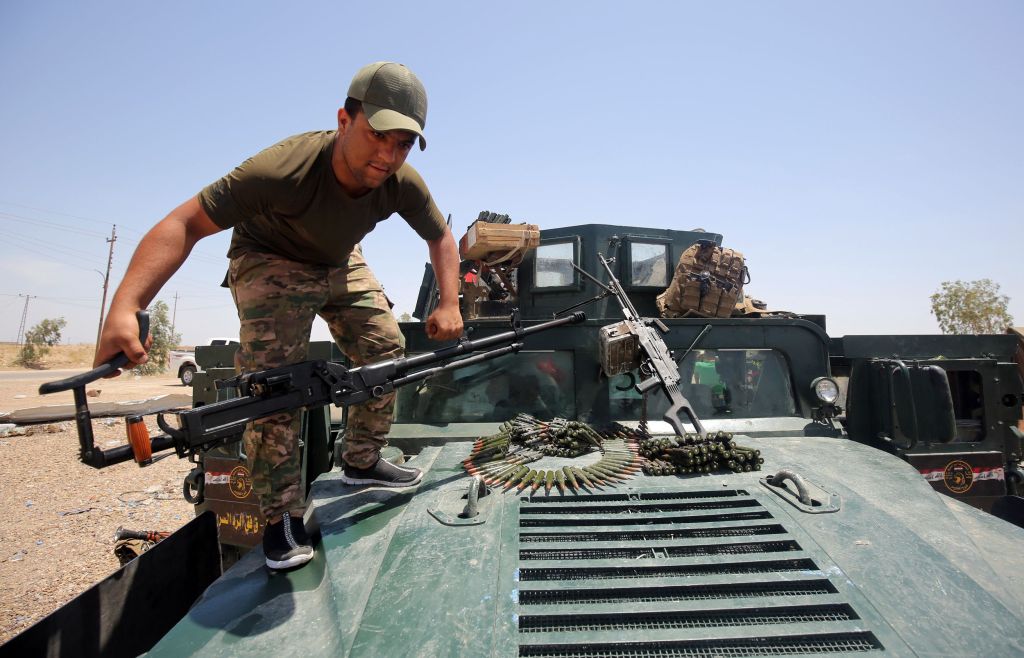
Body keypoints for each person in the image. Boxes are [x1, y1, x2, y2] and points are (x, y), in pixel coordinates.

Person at [94, 61, 463, 570]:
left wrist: (449, 302)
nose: (388, 154)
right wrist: (126, 305)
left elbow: (440, 235)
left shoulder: (401, 181)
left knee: (385, 353)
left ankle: (360, 462)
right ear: (344, 119)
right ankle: (280, 517)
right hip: (270, 254)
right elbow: (184, 222)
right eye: (378, 135)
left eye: (402, 143)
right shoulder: (282, 169)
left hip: (339, 257)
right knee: (275, 387)